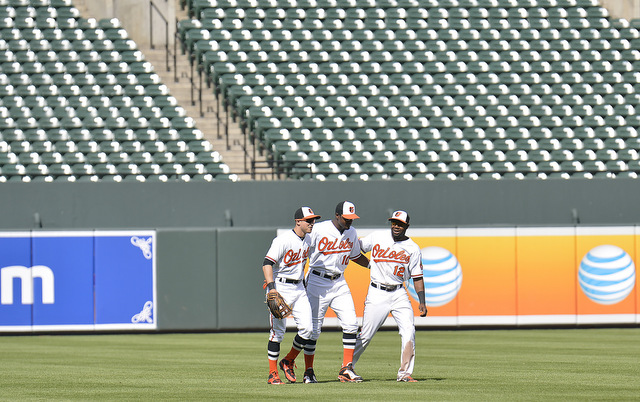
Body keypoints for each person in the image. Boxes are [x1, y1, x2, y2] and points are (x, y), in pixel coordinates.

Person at [353, 210, 427, 382]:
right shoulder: (377, 236)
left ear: (406, 226)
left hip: (399, 293)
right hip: (376, 291)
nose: (396, 226)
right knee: (366, 335)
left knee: (409, 331)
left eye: (399, 224)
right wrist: (369, 264)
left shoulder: (413, 248)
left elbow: (417, 277)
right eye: (393, 222)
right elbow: (355, 251)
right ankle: (347, 366)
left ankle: (404, 373)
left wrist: (422, 301)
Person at [305, 201, 370, 383]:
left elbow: (355, 255)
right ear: (337, 215)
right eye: (346, 218)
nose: (349, 222)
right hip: (317, 280)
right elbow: (303, 251)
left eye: (352, 218)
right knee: (313, 330)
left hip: (339, 281)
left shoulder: (351, 232)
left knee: (351, 324)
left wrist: (372, 266)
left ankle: (346, 368)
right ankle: (308, 371)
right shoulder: (319, 229)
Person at [262, 206, 321, 385]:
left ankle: (288, 360)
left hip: (299, 288)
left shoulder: (309, 239)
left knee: (308, 330)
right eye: (309, 220)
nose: (312, 223)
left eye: (313, 220)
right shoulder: (283, 240)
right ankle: (273, 373)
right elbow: (267, 263)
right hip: (281, 286)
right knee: (278, 333)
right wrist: (272, 288)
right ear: (298, 222)